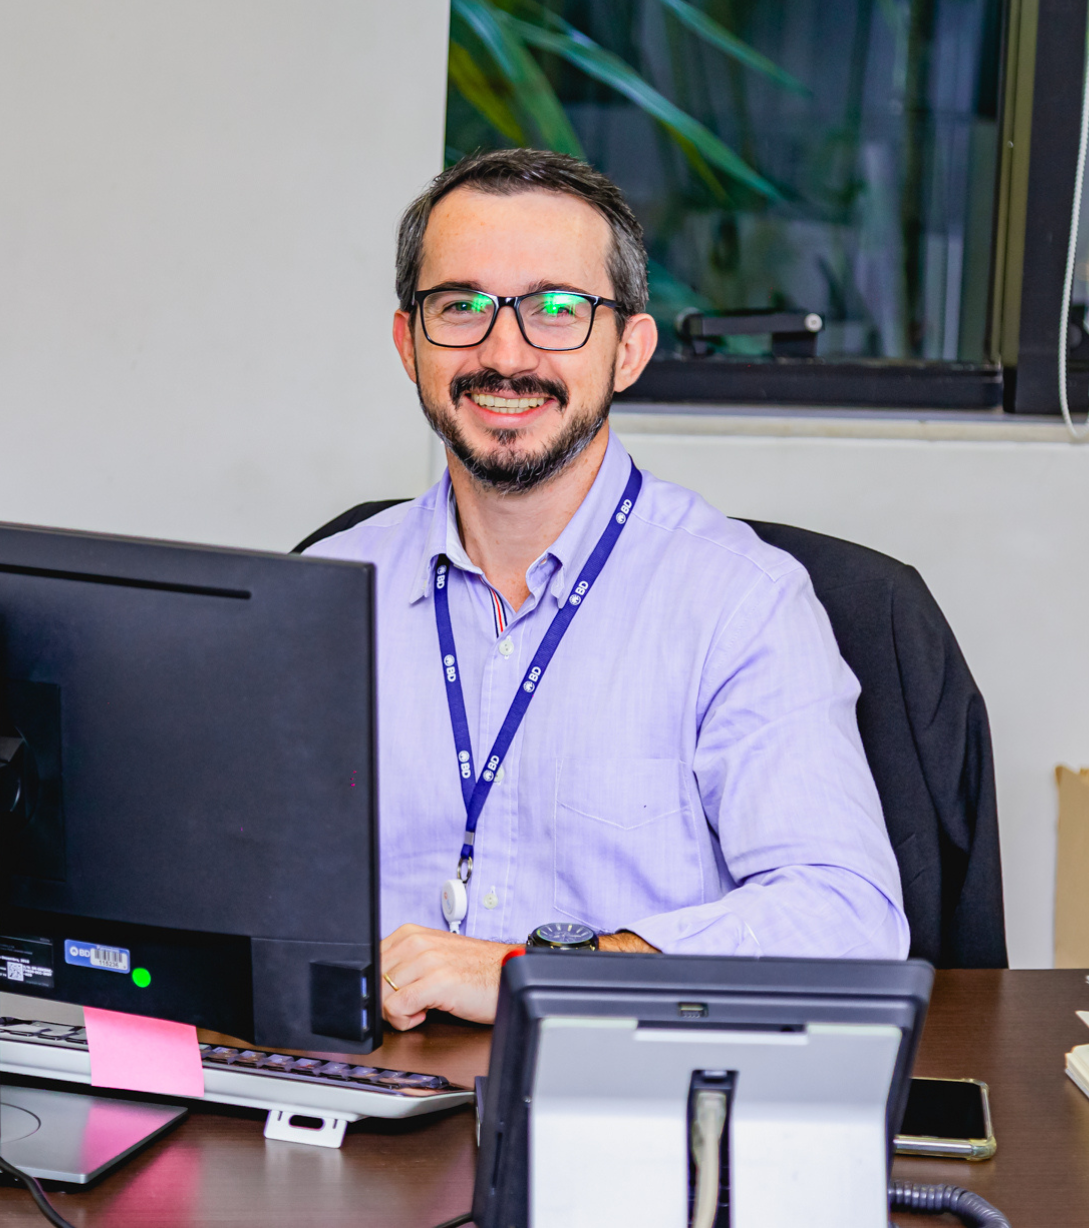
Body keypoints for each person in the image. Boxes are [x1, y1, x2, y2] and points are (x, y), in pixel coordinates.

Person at [304, 148, 908, 1032]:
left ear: (628, 349)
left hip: (631, 1098)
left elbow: (848, 918)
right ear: (409, 344)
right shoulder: (329, 589)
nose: (504, 353)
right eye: (460, 306)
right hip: (358, 1099)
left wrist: (538, 974)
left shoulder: (742, 602)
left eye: (557, 309)